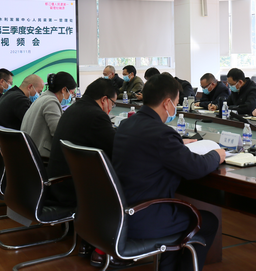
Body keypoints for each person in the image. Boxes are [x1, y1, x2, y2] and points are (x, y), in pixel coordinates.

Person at [112, 73, 225, 271]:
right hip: (144, 217)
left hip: (119, 213)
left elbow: (149, 148)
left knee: (184, 214)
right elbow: (195, 167)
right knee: (207, 221)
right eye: (176, 102)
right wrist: (217, 155)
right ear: (167, 103)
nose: (176, 107)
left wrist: (177, 143)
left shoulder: (127, 124)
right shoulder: (161, 134)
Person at [48, 78, 117, 208]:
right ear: (104, 100)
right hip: (75, 189)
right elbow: (116, 150)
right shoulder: (96, 116)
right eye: (112, 104)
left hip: (59, 184)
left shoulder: (73, 109)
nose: (111, 108)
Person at [21, 71, 76, 158]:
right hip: (42, 156)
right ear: (64, 90)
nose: (71, 97)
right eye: (72, 93)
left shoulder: (43, 98)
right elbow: (58, 133)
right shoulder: (51, 101)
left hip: (31, 152)